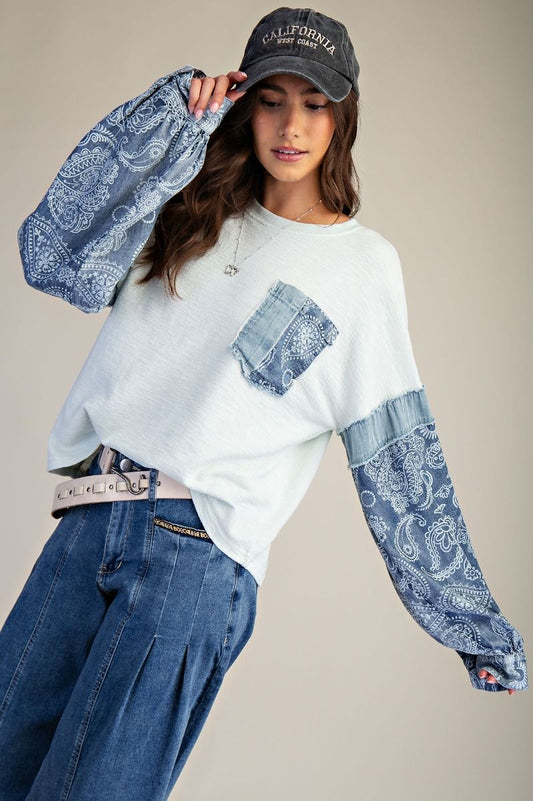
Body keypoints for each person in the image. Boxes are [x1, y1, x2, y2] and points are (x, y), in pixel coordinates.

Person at [0, 5, 528, 800]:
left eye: (314, 103)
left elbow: (400, 465)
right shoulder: (185, 206)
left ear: (342, 117)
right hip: (85, 522)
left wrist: (474, 628)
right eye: (271, 100)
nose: (291, 126)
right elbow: (53, 257)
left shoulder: (361, 269)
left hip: (194, 556)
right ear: (241, 105)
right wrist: (164, 124)